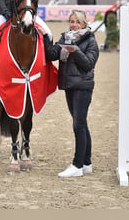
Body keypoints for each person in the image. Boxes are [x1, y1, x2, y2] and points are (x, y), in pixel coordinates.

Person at [39, 10, 99, 177]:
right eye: (71, 21)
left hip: (82, 87)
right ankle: (87, 163)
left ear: (84, 24)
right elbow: (51, 55)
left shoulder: (91, 41)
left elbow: (88, 64)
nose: (73, 24)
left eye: (77, 22)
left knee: (78, 125)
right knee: (81, 124)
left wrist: (74, 50)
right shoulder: (65, 38)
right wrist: (45, 37)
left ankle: (77, 165)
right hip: (69, 85)